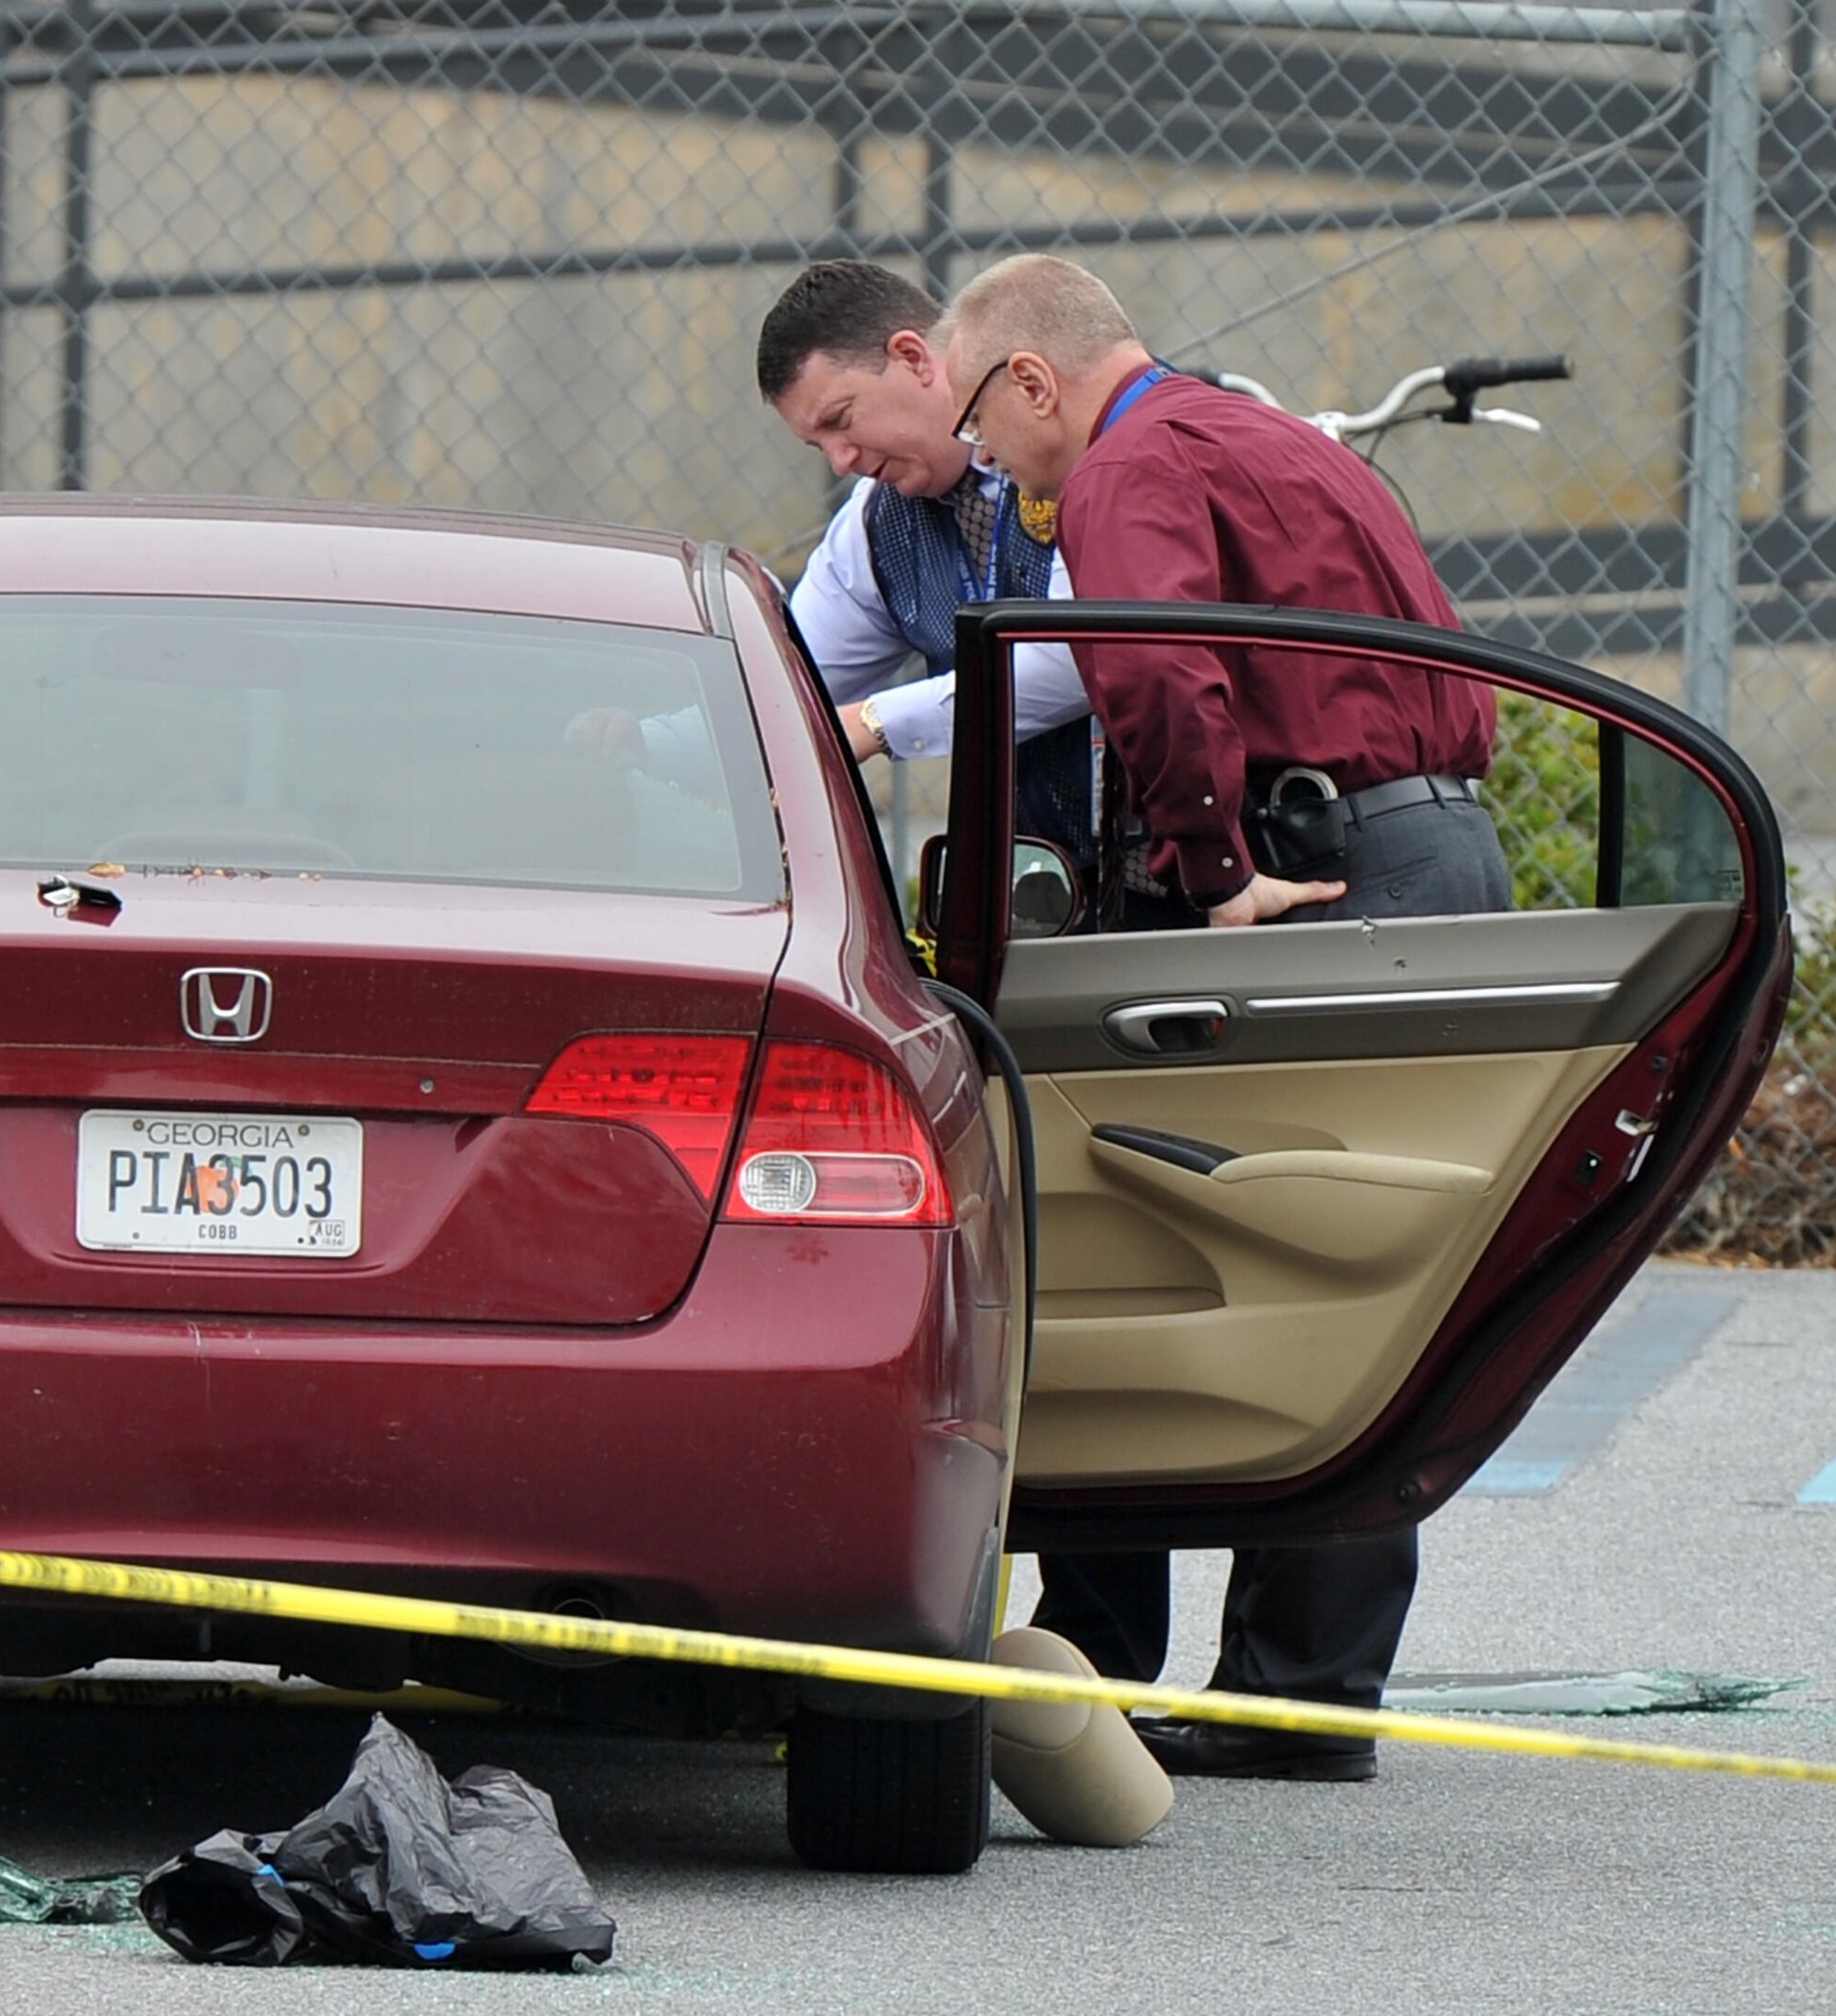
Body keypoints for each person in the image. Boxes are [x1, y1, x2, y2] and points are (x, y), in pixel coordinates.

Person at [939, 253, 1514, 1782]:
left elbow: (1149, 668)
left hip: (1324, 866)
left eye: (989, 432)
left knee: (1246, 1236)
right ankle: (1302, 1681)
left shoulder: (1133, 461)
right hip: (1436, 842)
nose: (991, 465)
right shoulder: (1262, 434)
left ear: (1036, 382)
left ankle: (1238, 1688)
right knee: (1357, 1257)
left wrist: (1215, 872)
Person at [570, 261, 1100, 867]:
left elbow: (1080, 655)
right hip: (1037, 887)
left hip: (1190, 874)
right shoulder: (878, 521)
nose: (841, 460)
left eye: (841, 419)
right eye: (816, 445)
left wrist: (875, 722)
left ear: (914, 358)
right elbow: (791, 690)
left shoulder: (1078, 459)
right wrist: (647, 741)